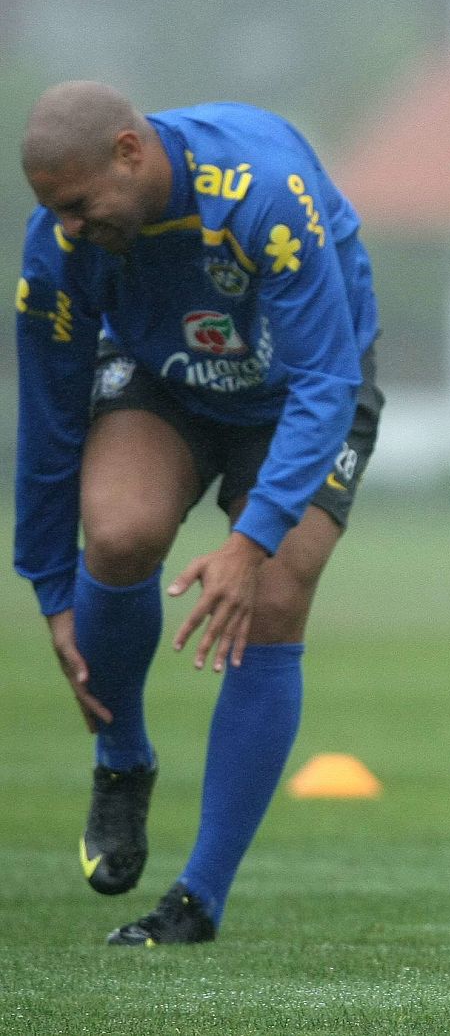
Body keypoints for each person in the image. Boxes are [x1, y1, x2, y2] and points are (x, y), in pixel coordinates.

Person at [14, 81, 381, 945]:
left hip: (303, 389)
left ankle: (198, 898)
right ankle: (123, 762)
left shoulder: (261, 196)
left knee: (280, 592)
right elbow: (50, 417)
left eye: (79, 204)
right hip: (163, 379)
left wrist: (252, 540)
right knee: (118, 533)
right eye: (50, 210)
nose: (68, 226)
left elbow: (327, 378)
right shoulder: (59, 248)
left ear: (130, 154)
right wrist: (51, 588)